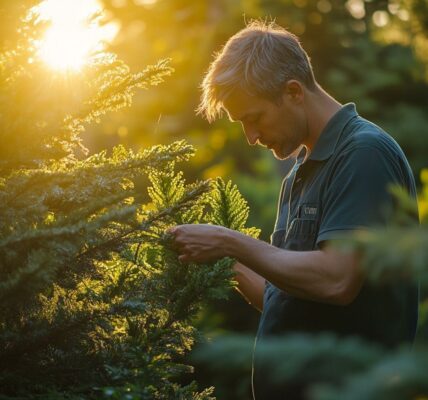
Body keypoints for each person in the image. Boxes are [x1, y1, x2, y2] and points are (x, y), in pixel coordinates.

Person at [168, 20, 419, 399]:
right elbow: (284, 297)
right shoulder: (299, 173)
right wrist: (223, 263)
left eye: (253, 118)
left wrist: (230, 241)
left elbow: (336, 280)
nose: (251, 137)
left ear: (294, 92)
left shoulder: (363, 153)